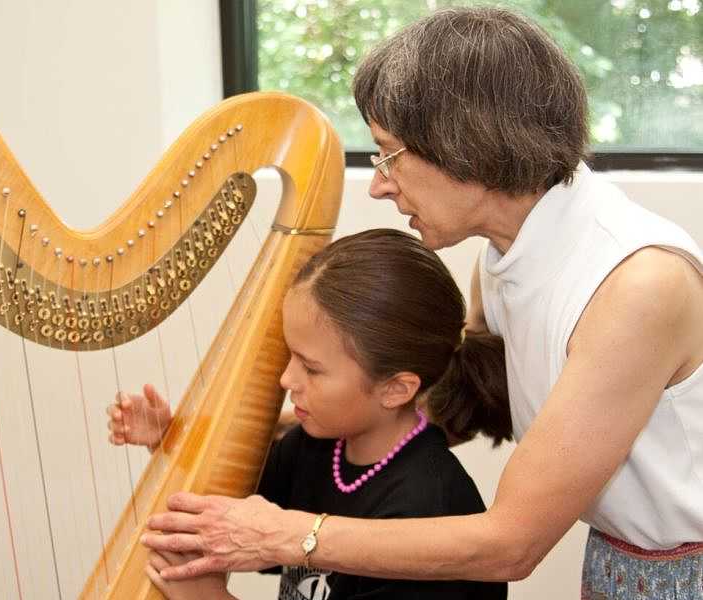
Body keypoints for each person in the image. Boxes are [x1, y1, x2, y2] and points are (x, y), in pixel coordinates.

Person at [140, 6, 703, 599]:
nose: (380, 183)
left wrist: (287, 536)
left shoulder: (637, 285)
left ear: (467, 145)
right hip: (617, 565)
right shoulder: (506, 255)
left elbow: (512, 545)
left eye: (389, 153)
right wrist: (197, 435)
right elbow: (442, 403)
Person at [109, 229, 510, 599]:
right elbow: (226, 516)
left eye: (311, 368)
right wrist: (170, 440)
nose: (286, 379)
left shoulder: (430, 507)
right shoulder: (314, 447)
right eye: (290, 357)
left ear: (396, 388)